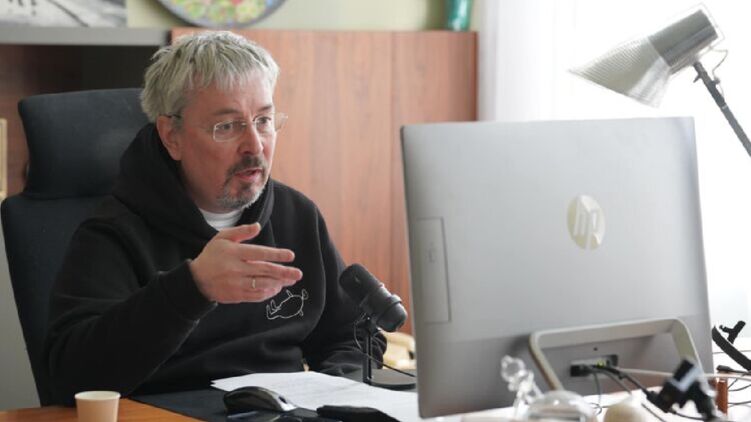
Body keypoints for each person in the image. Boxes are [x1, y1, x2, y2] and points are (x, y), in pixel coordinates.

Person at [44, 31, 384, 404]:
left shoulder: (296, 216)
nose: (255, 145)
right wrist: (193, 288)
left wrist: (328, 399)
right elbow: (71, 378)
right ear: (172, 136)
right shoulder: (114, 232)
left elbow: (351, 337)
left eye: (264, 120)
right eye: (228, 126)